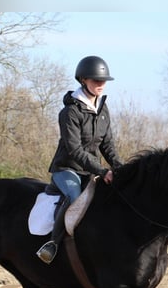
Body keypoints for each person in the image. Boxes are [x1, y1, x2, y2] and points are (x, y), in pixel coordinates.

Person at [36, 55, 124, 264]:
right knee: (76, 198)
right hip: (67, 169)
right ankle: (52, 244)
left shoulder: (103, 110)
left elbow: (107, 145)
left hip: (91, 170)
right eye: (96, 80)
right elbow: (74, 149)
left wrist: (121, 168)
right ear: (83, 80)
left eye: (103, 81)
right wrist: (103, 171)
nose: (100, 84)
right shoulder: (70, 112)